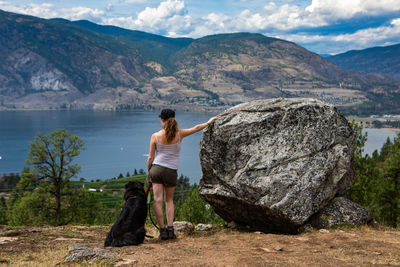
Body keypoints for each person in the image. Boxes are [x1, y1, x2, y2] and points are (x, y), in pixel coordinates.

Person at [147, 109, 218, 240]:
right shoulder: (179, 134)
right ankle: (170, 230)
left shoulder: (155, 136)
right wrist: (209, 122)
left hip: (156, 170)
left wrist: (149, 172)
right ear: (173, 119)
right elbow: (197, 128)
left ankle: (162, 231)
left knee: (157, 200)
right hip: (170, 171)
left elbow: (150, 158)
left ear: (162, 120)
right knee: (169, 200)